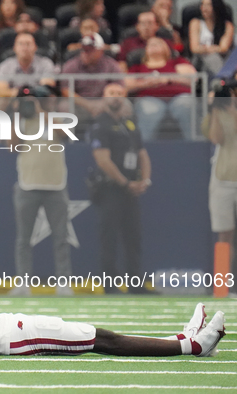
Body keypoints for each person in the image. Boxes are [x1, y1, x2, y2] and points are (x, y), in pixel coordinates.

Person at [0, 256, 226, 357]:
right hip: (10, 338)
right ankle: (190, 344)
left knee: (98, 337)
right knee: (101, 339)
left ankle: (183, 338)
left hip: (7, 327)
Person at [88, 83, 153, 295]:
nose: (115, 97)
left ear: (124, 97)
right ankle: (110, 285)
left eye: (119, 93)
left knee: (133, 237)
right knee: (110, 238)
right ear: (104, 98)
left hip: (130, 189)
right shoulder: (100, 125)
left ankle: (136, 284)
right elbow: (102, 160)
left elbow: (142, 153)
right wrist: (125, 182)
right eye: (111, 93)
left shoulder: (130, 124)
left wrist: (145, 180)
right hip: (110, 189)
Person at [10, 97, 73, 296]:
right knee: (23, 238)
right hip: (28, 185)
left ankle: (63, 282)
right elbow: (12, 146)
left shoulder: (53, 119)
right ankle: (23, 283)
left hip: (56, 185)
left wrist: (42, 113)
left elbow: (66, 135)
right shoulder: (21, 121)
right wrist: (18, 116)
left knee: (61, 236)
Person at [202, 70, 237, 296]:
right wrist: (215, 110)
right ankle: (222, 283)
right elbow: (216, 138)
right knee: (224, 234)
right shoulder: (220, 110)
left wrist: (233, 112)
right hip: (222, 178)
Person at [125, 37, 197, 141]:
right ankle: (143, 149)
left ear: (167, 49)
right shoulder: (138, 68)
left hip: (179, 97)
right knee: (150, 110)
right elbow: (126, 85)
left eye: (158, 43)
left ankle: (194, 145)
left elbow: (192, 78)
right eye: (150, 44)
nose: (153, 45)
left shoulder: (177, 62)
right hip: (149, 98)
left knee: (186, 105)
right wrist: (145, 83)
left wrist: (169, 79)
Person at [0, 32, 57, 98]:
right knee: (1, 98)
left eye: (28, 44)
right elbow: (1, 90)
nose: (24, 48)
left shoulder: (46, 63)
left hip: (38, 99)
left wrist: (31, 93)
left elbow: (47, 85)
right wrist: (19, 93)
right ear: (14, 48)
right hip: (14, 100)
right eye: (20, 44)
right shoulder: (5, 66)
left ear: (35, 47)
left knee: (50, 97)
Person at [188, 0, 234, 76]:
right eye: (202, 5)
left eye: (208, 5)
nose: (204, 8)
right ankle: (222, 79)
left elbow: (224, 48)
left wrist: (205, 48)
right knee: (212, 58)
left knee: (221, 57)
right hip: (199, 59)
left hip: (221, 58)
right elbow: (194, 48)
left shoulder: (227, 25)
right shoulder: (195, 23)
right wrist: (214, 49)